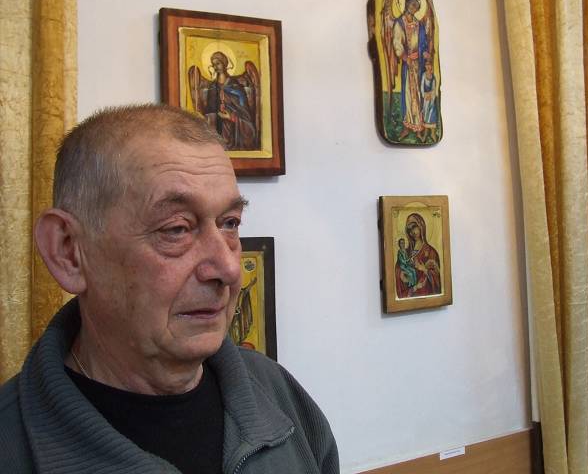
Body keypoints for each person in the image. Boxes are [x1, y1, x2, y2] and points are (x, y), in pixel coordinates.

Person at [0, 104, 338, 473]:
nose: (228, 268)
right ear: (69, 252)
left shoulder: (278, 393)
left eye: (229, 223)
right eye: (176, 229)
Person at [392, 0, 429, 141]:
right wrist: (405, 57)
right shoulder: (399, 23)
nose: (414, 8)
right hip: (408, 65)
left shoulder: (419, 25)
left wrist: (424, 52)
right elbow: (397, 43)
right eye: (412, 4)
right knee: (408, 94)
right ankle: (407, 127)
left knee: (419, 94)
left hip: (419, 65)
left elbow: (424, 43)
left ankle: (419, 126)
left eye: (417, 6)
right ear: (407, 4)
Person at [395, 212, 441, 298]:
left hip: (425, 294)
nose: (413, 232)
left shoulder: (431, 251)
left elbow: (437, 278)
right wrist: (400, 273)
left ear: (421, 226)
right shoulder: (405, 251)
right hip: (411, 294)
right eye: (409, 230)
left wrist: (424, 269)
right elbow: (398, 268)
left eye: (414, 227)